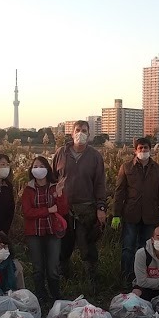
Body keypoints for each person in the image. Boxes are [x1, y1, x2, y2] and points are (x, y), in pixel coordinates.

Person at [52, 120, 106, 288]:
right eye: (78, 130)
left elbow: (100, 184)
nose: (80, 133)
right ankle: (63, 278)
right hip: (63, 208)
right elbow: (52, 179)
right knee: (64, 244)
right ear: (72, 133)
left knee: (87, 245)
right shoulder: (61, 153)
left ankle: (92, 279)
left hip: (86, 208)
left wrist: (101, 207)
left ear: (89, 135)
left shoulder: (95, 156)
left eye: (84, 130)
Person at [112, 137, 159, 287]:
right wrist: (116, 214)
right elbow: (120, 192)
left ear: (150, 150)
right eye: (140, 148)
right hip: (131, 214)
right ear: (135, 150)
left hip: (150, 216)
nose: (143, 151)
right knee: (128, 248)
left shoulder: (158, 169)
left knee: (145, 249)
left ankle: (141, 280)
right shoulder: (126, 167)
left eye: (146, 148)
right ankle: (126, 278)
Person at [21, 156, 69, 302]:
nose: (38, 169)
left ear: (47, 169)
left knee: (53, 266)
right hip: (34, 233)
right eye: (35, 166)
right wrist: (48, 210)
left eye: (41, 166)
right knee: (38, 267)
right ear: (31, 170)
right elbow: (27, 212)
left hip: (52, 231)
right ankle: (41, 296)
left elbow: (63, 210)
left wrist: (60, 194)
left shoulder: (55, 187)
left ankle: (55, 295)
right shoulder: (28, 189)